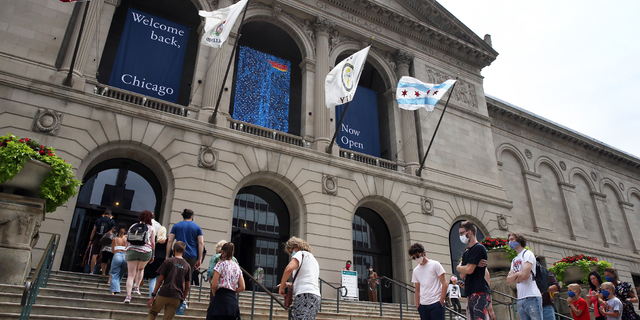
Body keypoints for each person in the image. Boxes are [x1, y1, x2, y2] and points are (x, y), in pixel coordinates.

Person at [279, 237, 321, 320]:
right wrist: (289, 284)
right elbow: (307, 280)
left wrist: (281, 287)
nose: (292, 254)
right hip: (314, 296)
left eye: (291, 251)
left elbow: (288, 269)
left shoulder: (300, 254)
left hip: (305, 296)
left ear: (296, 247)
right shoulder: (312, 259)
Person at [147, 241, 191, 320]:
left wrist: (153, 296)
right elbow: (187, 286)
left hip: (165, 292)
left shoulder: (168, 261)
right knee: (168, 318)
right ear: (184, 252)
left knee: (153, 312)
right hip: (177, 296)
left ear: (173, 250)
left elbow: (160, 280)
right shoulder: (187, 266)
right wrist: (183, 299)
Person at [456, 221, 491, 320]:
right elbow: (462, 275)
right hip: (470, 291)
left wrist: (460, 267)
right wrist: (464, 268)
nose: (461, 236)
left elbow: (469, 270)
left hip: (479, 291)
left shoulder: (479, 248)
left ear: (470, 232)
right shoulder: (466, 253)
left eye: (462, 233)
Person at [505, 232, 542, 320]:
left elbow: (525, 276)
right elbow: (508, 281)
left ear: (519, 240)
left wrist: (515, 276)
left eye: (512, 239)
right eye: (509, 240)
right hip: (520, 298)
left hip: (532, 296)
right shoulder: (514, 260)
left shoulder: (528, 254)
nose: (510, 242)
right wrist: (518, 274)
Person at [206, 242, 245, 320]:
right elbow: (242, 287)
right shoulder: (237, 267)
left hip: (220, 298)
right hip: (232, 301)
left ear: (222, 252)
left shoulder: (220, 264)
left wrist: (214, 293)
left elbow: (214, 284)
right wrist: (233, 290)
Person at [125, 210, 156, 303]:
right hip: (145, 252)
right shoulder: (151, 228)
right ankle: (137, 287)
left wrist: (127, 250)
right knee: (141, 269)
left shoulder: (133, 226)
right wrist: (152, 253)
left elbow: (127, 239)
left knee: (130, 275)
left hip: (132, 250)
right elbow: (153, 243)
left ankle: (128, 296)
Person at [409, 242, 447, 320]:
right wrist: (418, 305)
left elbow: (444, 283)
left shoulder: (435, 264)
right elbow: (417, 290)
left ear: (423, 253)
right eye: (414, 258)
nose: (416, 259)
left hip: (436, 303)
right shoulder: (416, 271)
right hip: (423, 305)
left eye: (417, 256)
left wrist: (441, 301)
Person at [88, 209, 116, 275]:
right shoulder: (111, 221)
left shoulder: (98, 220)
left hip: (97, 238)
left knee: (94, 254)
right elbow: (112, 231)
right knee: (103, 254)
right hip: (106, 239)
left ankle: (91, 271)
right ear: (110, 215)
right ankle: (102, 271)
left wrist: (90, 240)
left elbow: (93, 230)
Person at [144, 226, 168, 298]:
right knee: (159, 279)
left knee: (152, 279)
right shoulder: (167, 241)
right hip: (163, 261)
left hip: (153, 260)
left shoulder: (154, 239)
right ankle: (157, 295)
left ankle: (152, 296)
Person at [110, 223, 128, 295]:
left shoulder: (115, 239)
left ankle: (114, 290)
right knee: (121, 273)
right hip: (125, 255)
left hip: (117, 254)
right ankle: (116, 288)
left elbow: (112, 250)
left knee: (114, 273)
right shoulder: (126, 239)